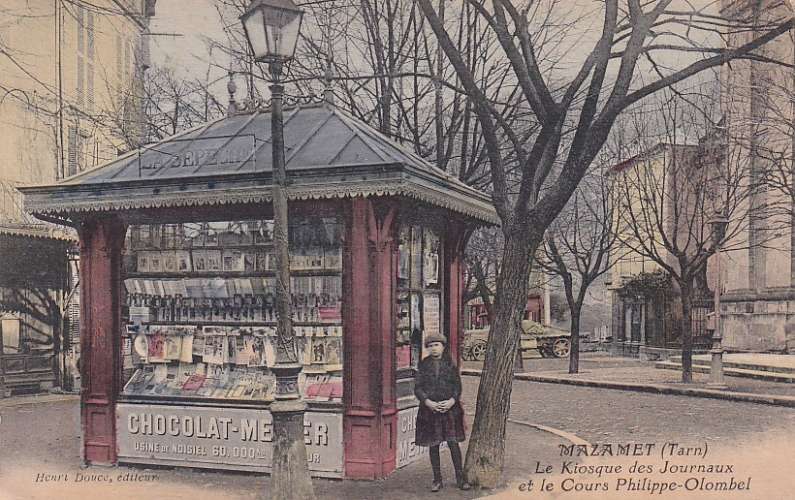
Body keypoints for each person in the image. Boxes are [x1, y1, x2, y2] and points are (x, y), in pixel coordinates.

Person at [414, 333, 471, 492]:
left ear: (443, 347)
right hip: (430, 411)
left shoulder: (450, 364)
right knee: (434, 444)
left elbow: (457, 386)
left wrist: (452, 400)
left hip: (450, 410)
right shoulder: (424, 365)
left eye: (436, 345)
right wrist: (428, 402)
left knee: (453, 443)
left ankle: (461, 479)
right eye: (430, 346)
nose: (433, 349)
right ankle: (437, 480)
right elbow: (418, 387)